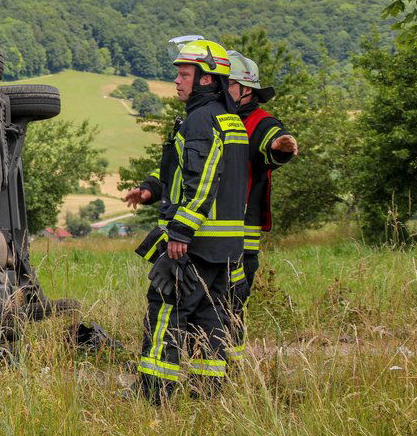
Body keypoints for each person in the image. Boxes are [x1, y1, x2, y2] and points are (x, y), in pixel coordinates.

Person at [121, 37, 248, 403]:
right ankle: (209, 396)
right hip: (224, 249)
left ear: (207, 79)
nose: (177, 80)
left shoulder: (200, 120)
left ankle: (153, 395)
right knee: (211, 322)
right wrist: (150, 189)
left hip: (193, 245)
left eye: (184, 74)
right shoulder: (229, 119)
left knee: (165, 313)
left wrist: (180, 231)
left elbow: (202, 180)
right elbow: (197, 176)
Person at [224, 50, 298, 361]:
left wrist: (281, 146)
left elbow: (274, 141)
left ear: (246, 90)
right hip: (206, 234)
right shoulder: (215, 118)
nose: (219, 89)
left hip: (241, 239)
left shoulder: (261, 122)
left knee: (231, 304)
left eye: (226, 84)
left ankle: (230, 367)